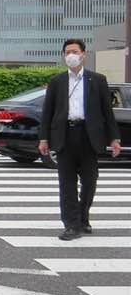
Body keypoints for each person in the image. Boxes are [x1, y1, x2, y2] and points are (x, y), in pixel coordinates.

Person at [38, 38, 121, 241]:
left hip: (89, 136)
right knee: (66, 184)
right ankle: (71, 225)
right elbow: (47, 112)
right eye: (67, 52)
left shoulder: (97, 80)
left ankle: (83, 217)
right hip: (64, 135)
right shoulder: (57, 81)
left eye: (74, 51)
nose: (71, 56)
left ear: (83, 54)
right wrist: (43, 139)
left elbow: (106, 112)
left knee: (90, 182)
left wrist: (114, 138)